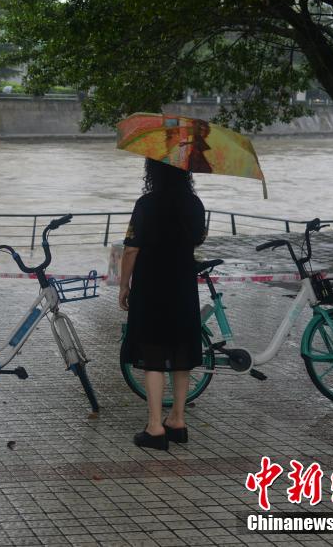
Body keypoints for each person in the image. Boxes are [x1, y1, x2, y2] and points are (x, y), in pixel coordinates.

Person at [119, 158, 206, 451]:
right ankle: (177, 421)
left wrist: (124, 286)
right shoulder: (195, 204)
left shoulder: (146, 204)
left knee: (152, 352)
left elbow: (131, 249)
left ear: (152, 171)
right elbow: (199, 238)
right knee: (181, 350)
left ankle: (155, 427)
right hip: (183, 285)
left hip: (151, 286)